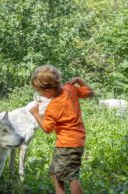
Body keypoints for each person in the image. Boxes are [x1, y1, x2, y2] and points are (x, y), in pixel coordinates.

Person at [29, 64, 94, 194]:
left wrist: (36, 114)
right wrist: (79, 80)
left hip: (68, 144)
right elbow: (90, 93)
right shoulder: (71, 89)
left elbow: (47, 129)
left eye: (40, 91)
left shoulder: (53, 106)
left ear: (48, 90)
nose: (40, 94)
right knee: (55, 172)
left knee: (71, 176)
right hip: (74, 141)